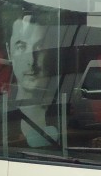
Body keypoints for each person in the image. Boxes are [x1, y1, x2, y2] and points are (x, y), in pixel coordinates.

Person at [6, 10, 61, 146]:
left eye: (39, 47)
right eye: (21, 47)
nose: (31, 60)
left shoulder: (70, 117)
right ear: (9, 52)